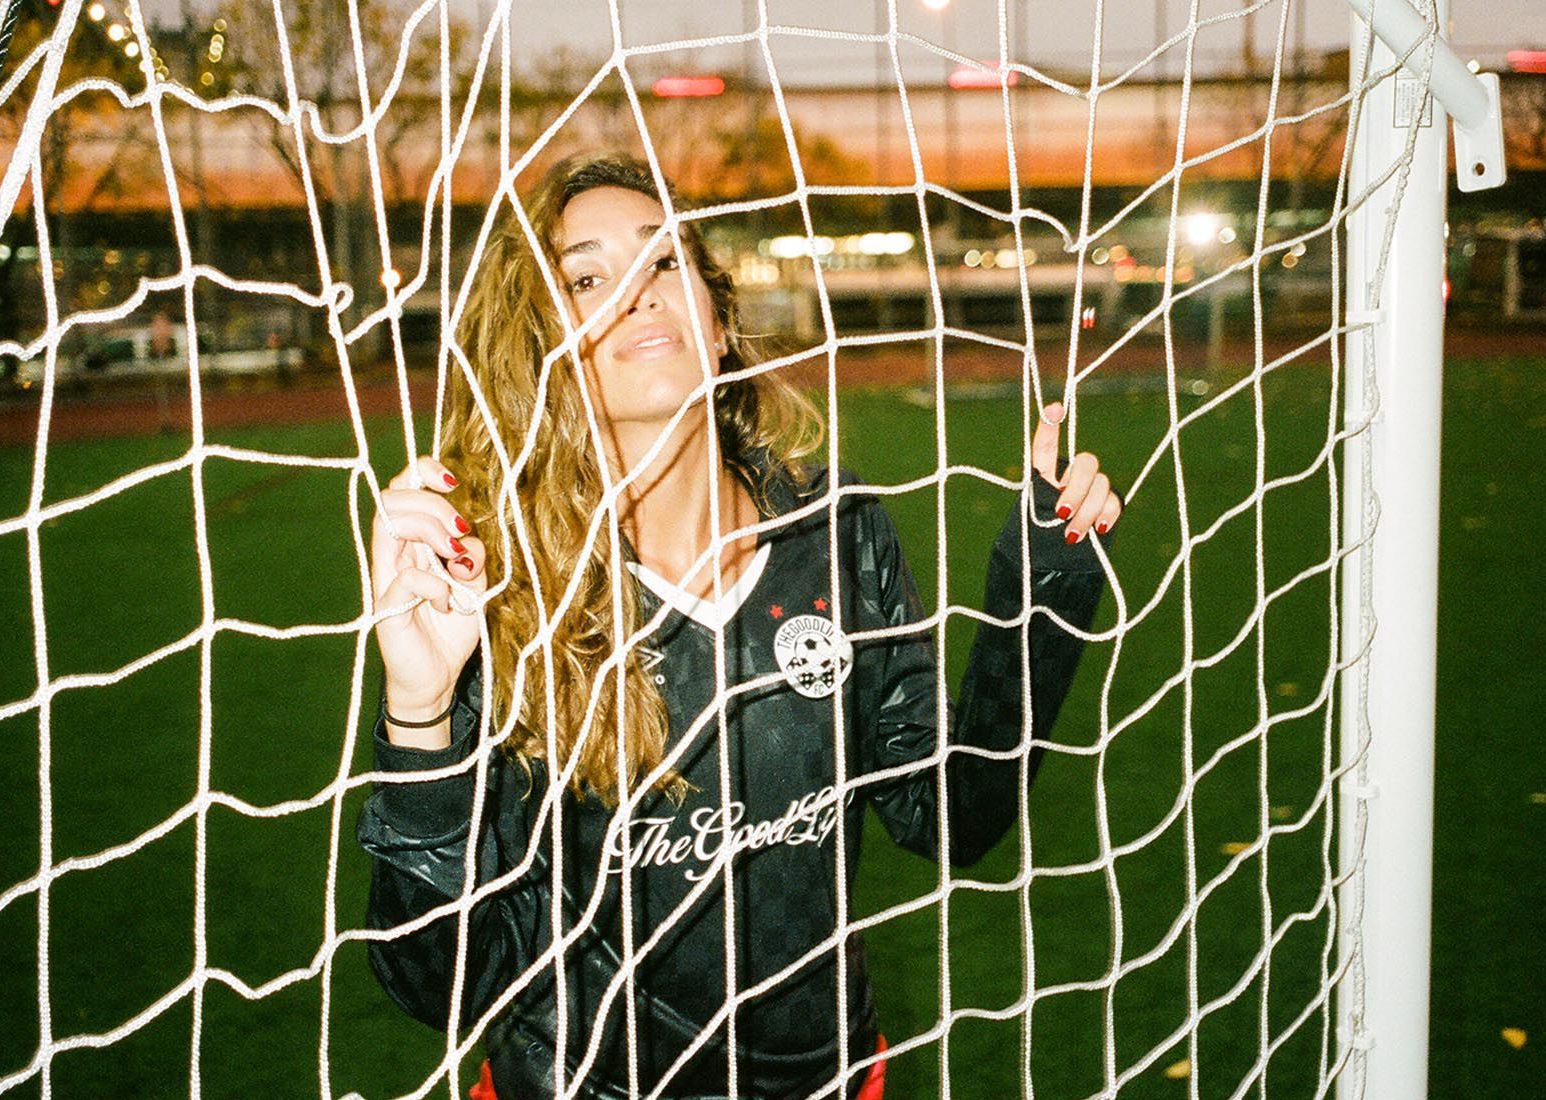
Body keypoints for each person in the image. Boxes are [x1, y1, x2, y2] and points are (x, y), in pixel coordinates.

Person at [355, 152, 1123, 1100]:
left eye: (663, 259)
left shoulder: (835, 531)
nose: (637, 291)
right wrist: (420, 707)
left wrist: (1041, 585)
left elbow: (953, 815)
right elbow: (442, 981)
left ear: (718, 325)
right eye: (587, 278)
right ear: (543, 350)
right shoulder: (504, 587)